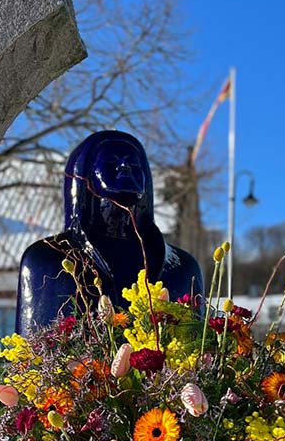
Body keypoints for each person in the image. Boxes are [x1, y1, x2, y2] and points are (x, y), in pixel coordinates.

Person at [16, 130, 203, 334]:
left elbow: (199, 347)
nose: (124, 168)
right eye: (111, 162)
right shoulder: (47, 260)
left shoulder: (182, 268)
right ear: (86, 175)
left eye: (133, 164)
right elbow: (31, 352)